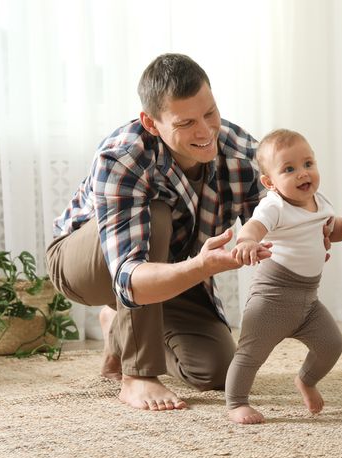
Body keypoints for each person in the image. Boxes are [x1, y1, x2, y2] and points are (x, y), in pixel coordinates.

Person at [47, 54, 274, 411]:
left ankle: (117, 328)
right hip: (88, 267)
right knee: (157, 214)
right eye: (186, 122)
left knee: (217, 370)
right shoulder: (123, 155)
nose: (206, 131)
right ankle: (137, 375)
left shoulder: (238, 149)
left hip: (169, 265)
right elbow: (128, 274)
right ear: (151, 123)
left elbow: (276, 209)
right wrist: (201, 268)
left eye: (210, 113)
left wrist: (313, 230)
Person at [226, 129, 342, 424]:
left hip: (308, 298)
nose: (302, 174)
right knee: (250, 354)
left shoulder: (320, 202)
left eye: (308, 164)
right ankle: (236, 402)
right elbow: (255, 226)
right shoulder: (274, 206)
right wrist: (246, 242)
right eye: (289, 169)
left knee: (332, 344)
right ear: (270, 182)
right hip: (273, 297)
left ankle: (306, 380)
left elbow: (333, 230)